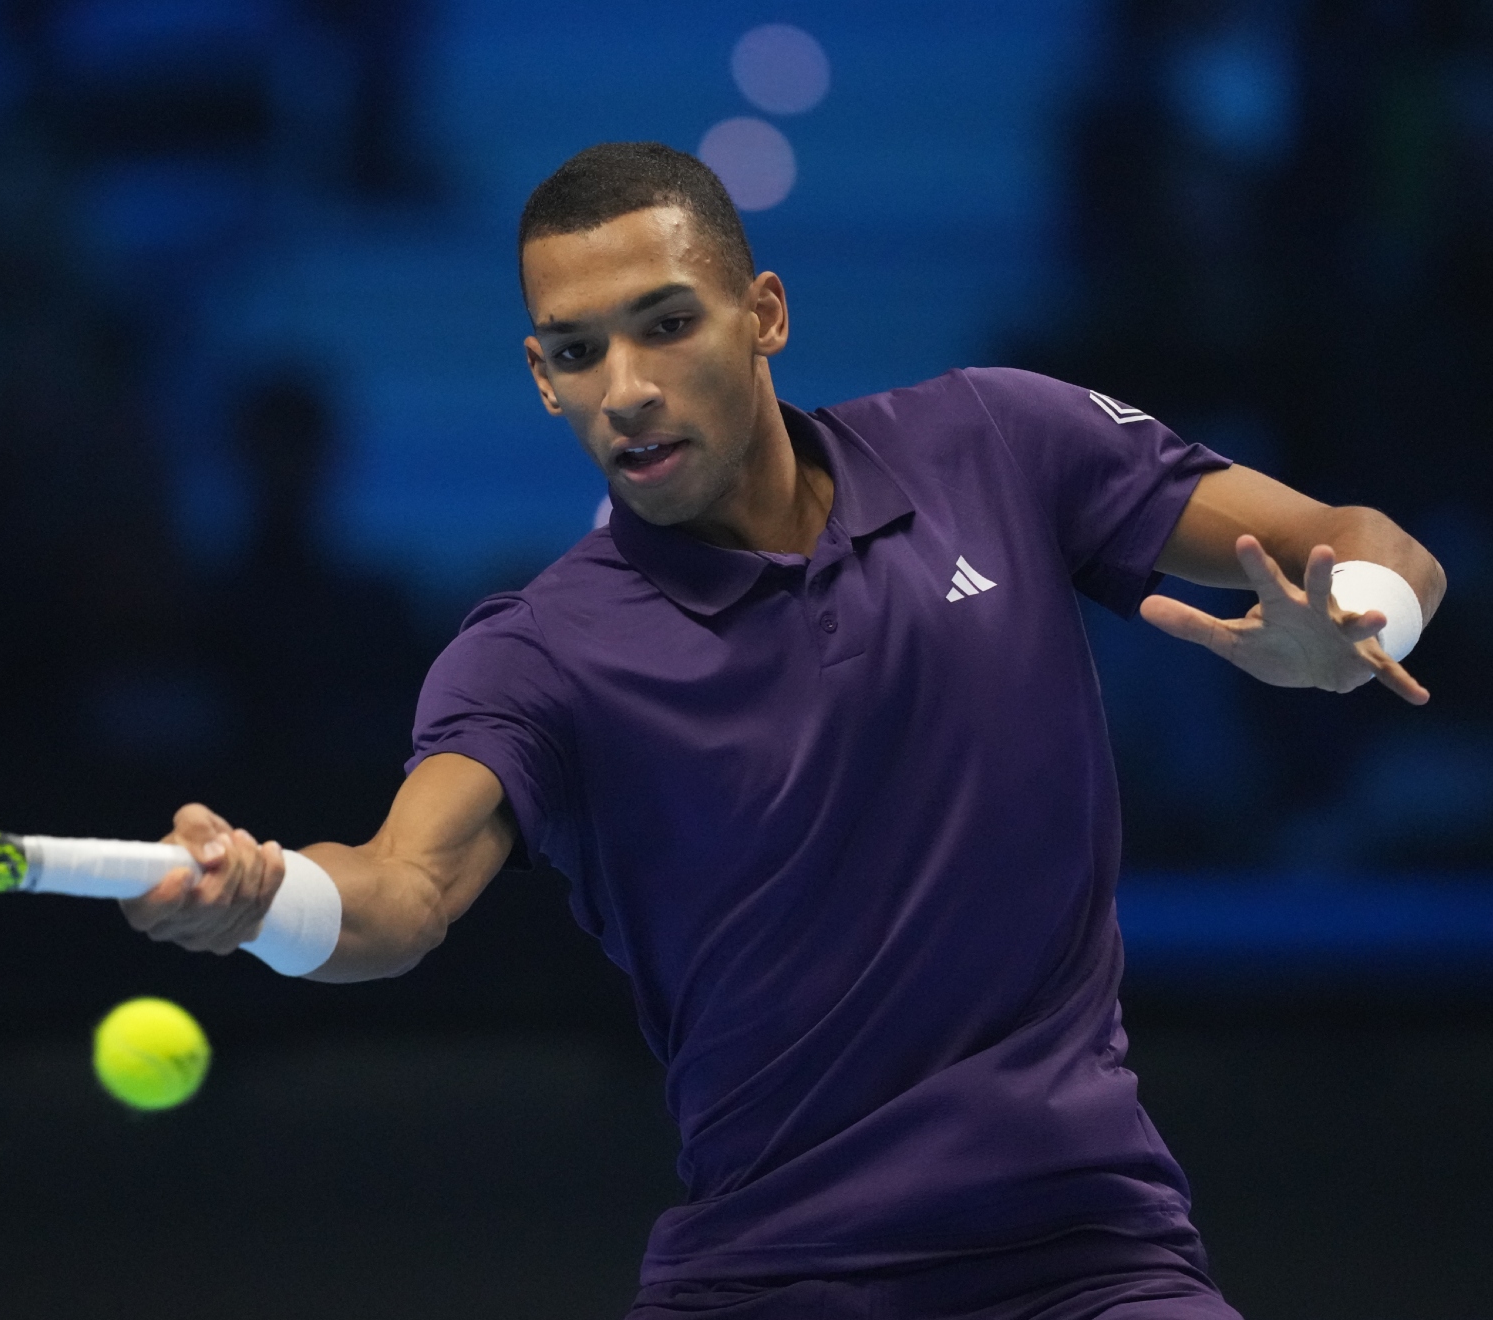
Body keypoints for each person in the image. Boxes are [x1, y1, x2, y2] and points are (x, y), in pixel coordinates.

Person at [121, 143, 1445, 1318]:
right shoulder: (538, 655)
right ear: (541, 378)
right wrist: (266, 899)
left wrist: (1357, 625)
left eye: (666, 325)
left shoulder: (996, 442)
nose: (626, 389)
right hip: (770, 1278)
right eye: (578, 352)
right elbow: (400, 892)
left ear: (764, 314)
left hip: (1090, 1263)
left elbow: (1370, 546)